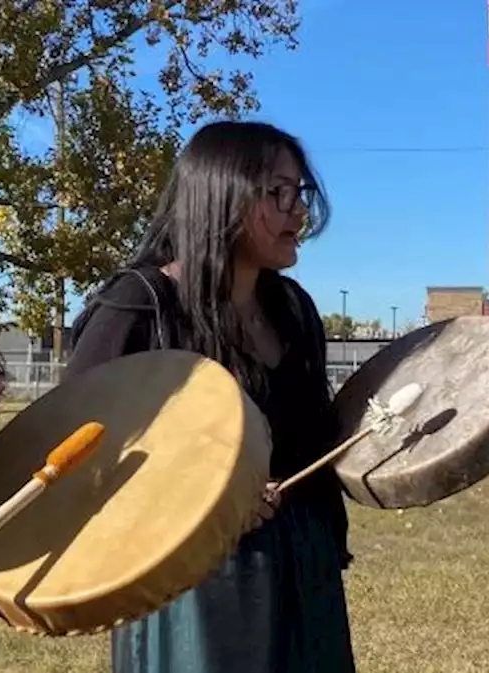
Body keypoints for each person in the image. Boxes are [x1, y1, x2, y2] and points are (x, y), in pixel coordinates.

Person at [65, 120, 356, 673]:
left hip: (303, 570)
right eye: (280, 191)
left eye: (302, 191)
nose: (300, 210)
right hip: (190, 590)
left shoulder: (294, 310)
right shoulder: (140, 307)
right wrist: (211, 498)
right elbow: (76, 460)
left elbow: (317, 441)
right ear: (221, 195)